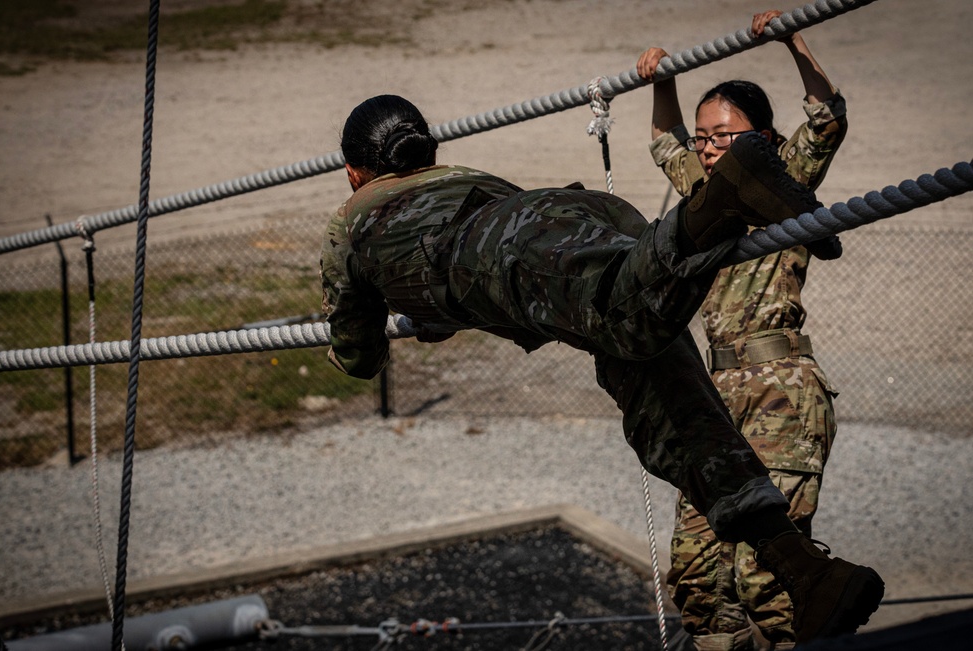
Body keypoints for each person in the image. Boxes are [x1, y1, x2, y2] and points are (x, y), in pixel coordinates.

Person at [319, 93, 883, 644]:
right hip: (581, 217)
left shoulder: (351, 220)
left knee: (627, 317)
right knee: (673, 413)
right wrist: (431, 306)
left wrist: (393, 311)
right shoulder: (464, 178)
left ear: (351, 172)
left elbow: (360, 355)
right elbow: (482, 272)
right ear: (430, 153)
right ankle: (805, 571)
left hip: (517, 252)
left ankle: (725, 200)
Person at [636, 9, 851, 650]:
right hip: (715, 396)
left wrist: (792, 38)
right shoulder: (704, 196)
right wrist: (660, 78)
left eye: (721, 137)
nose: (706, 148)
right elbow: (664, 143)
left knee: (770, 580)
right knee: (701, 579)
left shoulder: (778, 180)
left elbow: (826, 118)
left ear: (758, 139)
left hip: (781, 394)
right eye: (704, 138)